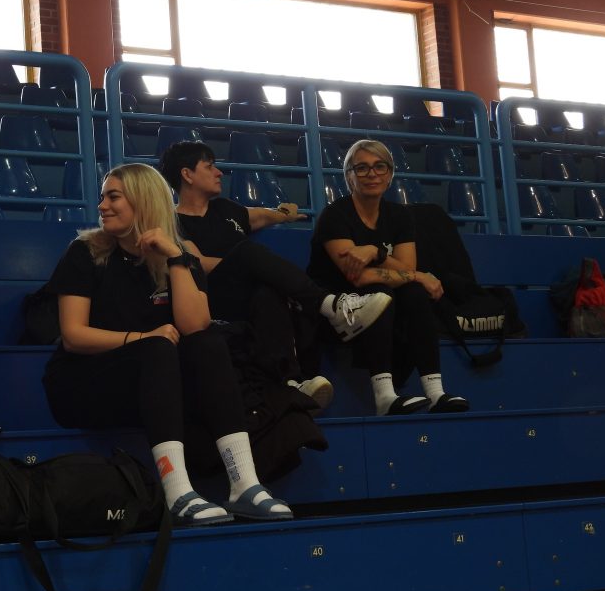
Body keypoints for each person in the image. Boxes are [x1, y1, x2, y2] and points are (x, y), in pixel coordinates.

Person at [42, 162, 293, 526]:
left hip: (155, 385)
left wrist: (176, 259)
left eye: (113, 197)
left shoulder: (178, 253)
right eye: (103, 197)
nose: (102, 206)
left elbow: (196, 325)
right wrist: (143, 338)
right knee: (159, 347)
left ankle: (244, 484)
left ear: (143, 201)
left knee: (207, 344)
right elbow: (73, 336)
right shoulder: (86, 252)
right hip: (83, 384)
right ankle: (177, 491)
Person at [157, 140, 391, 411]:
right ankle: (330, 305)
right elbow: (200, 264)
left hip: (249, 298)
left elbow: (260, 217)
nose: (219, 172)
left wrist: (283, 214)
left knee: (267, 291)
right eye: (209, 167)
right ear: (187, 174)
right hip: (209, 300)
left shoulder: (225, 209)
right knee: (249, 254)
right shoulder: (173, 222)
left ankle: (290, 382)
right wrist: (250, 264)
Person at [307, 139, 469, 415]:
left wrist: (376, 252)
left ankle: (435, 393)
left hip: (385, 305)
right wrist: (414, 275)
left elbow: (406, 270)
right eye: (361, 168)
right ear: (349, 177)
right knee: (383, 293)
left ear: (390, 174)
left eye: (379, 166)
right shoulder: (334, 216)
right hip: (336, 313)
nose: (372, 174)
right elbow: (358, 278)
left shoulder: (399, 215)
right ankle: (384, 396)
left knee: (412, 293)